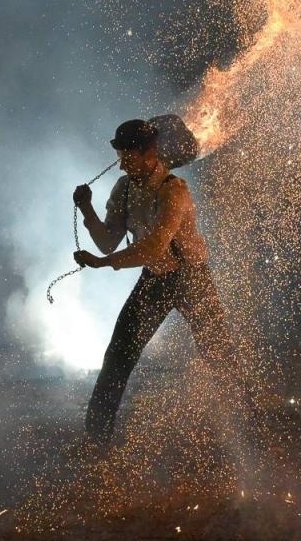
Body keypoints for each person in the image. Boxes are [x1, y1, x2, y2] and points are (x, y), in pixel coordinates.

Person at [73, 118, 236, 441]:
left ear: (150, 152)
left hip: (191, 279)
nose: (122, 164)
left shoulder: (174, 190)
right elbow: (108, 241)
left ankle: (250, 431)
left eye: (128, 155)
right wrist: (87, 210)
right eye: (120, 155)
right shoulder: (124, 189)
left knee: (220, 358)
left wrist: (104, 264)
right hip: (155, 280)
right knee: (118, 356)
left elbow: (154, 246)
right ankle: (96, 439)